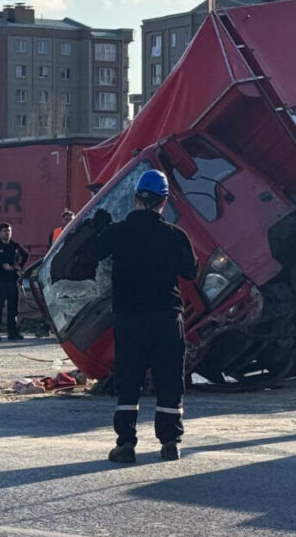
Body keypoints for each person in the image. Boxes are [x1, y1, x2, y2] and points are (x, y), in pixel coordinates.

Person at [95, 169, 198, 463]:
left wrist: (97, 226)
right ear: (163, 201)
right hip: (167, 316)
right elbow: (191, 271)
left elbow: (93, 252)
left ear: (136, 198)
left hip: (129, 318)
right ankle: (170, 443)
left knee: (129, 379)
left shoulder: (118, 232)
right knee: (169, 379)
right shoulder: (175, 235)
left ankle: (126, 443)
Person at [0, 223, 29, 342]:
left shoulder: (14, 245)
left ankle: (12, 332)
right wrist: (1, 266)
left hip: (12, 280)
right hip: (0, 280)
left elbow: (25, 255)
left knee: (13, 308)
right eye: (5, 231)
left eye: (9, 231)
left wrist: (18, 266)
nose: (7, 233)